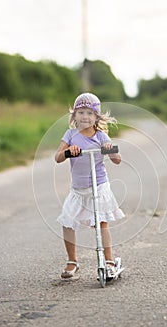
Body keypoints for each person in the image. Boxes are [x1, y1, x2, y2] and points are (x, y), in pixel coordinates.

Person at [55, 92, 124, 279]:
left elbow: (117, 159)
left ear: (96, 117)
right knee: (67, 222)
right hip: (78, 189)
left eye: (89, 113)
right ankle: (72, 261)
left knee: (101, 223)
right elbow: (58, 157)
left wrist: (111, 151)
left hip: (98, 186)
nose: (85, 116)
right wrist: (69, 151)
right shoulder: (70, 135)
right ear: (74, 116)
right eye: (81, 112)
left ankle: (108, 261)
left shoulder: (101, 136)